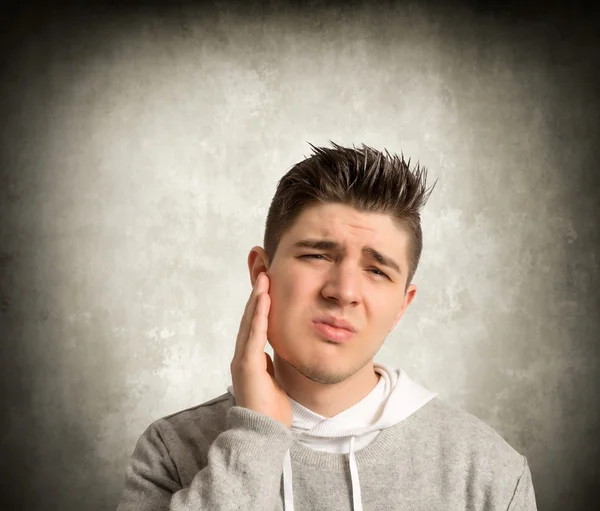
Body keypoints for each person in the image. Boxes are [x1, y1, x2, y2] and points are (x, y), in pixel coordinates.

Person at [116, 142, 537, 510]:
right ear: (262, 271)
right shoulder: (171, 450)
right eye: (318, 255)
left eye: (377, 271)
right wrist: (256, 440)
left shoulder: (490, 472)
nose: (343, 291)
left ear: (401, 306)